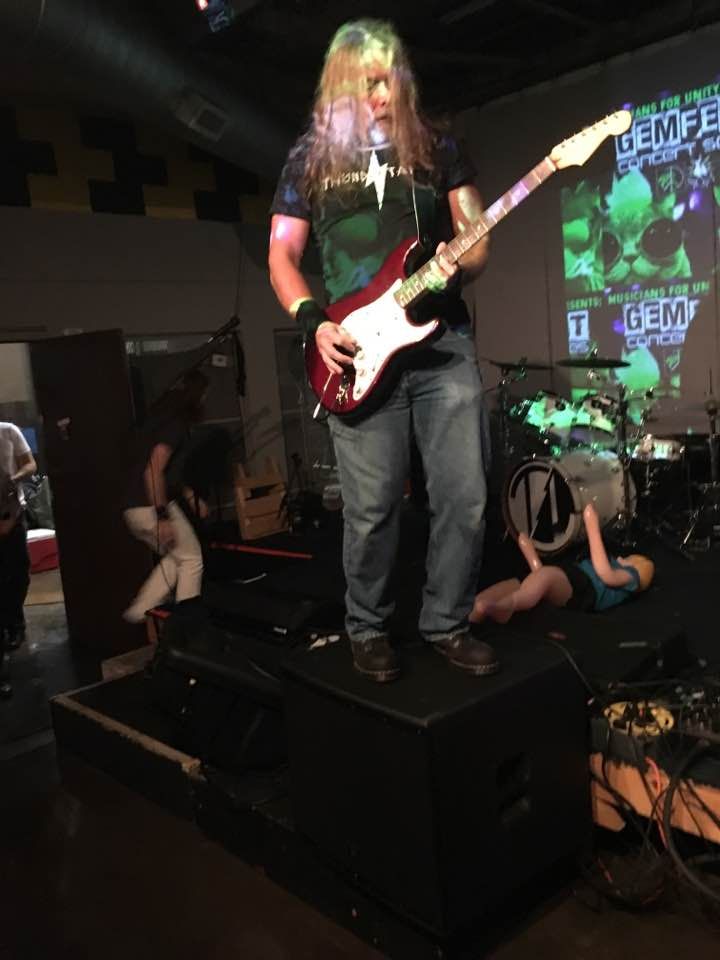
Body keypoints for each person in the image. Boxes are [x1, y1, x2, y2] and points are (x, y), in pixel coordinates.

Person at [269, 19, 496, 681]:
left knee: (465, 497)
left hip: (441, 341)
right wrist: (313, 321)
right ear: (340, 86)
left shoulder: (435, 145)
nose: (382, 94)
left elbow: (477, 239)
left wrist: (461, 258)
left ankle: (446, 621)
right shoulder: (309, 159)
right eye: (367, 83)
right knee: (371, 512)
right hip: (358, 351)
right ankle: (367, 627)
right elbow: (281, 256)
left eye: (390, 80)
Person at [470, 504, 654, 625]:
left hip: (584, 589)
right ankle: (469, 621)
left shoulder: (632, 576)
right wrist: (529, 551)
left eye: (629, 558)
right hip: (561, 577)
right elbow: (541, 576)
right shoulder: (609, 567)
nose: (622, 557)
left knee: (545, 578)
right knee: (490, 597)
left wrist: (592, 526)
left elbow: (605, 574)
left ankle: (510, 605)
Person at [122, 370, 208, 624]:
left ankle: (139, 611)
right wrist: (161, 517)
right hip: (149, 508)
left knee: (176, 558)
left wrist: (190, 496)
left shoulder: (157, 422)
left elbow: (168, 473)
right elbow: (154, 469)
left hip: (131, 510)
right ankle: (186, 626)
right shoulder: (176, 425)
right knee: (192, 560)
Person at [0, 421, 37, 698]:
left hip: (13, 512)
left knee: (20, 572)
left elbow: (31, 465)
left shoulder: (8, 431)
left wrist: (13, 479)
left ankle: (14, 620)